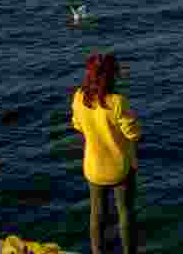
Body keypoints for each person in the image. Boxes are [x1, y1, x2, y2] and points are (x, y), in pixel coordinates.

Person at [71, 52, 141, 254]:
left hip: (93, 168)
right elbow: (133, 134)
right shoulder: (117, 102)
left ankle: (97, 251)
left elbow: (77, 125)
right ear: (111, 76)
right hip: (120, 168)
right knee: (125, 213)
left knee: (97, 214)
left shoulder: (79, 98)